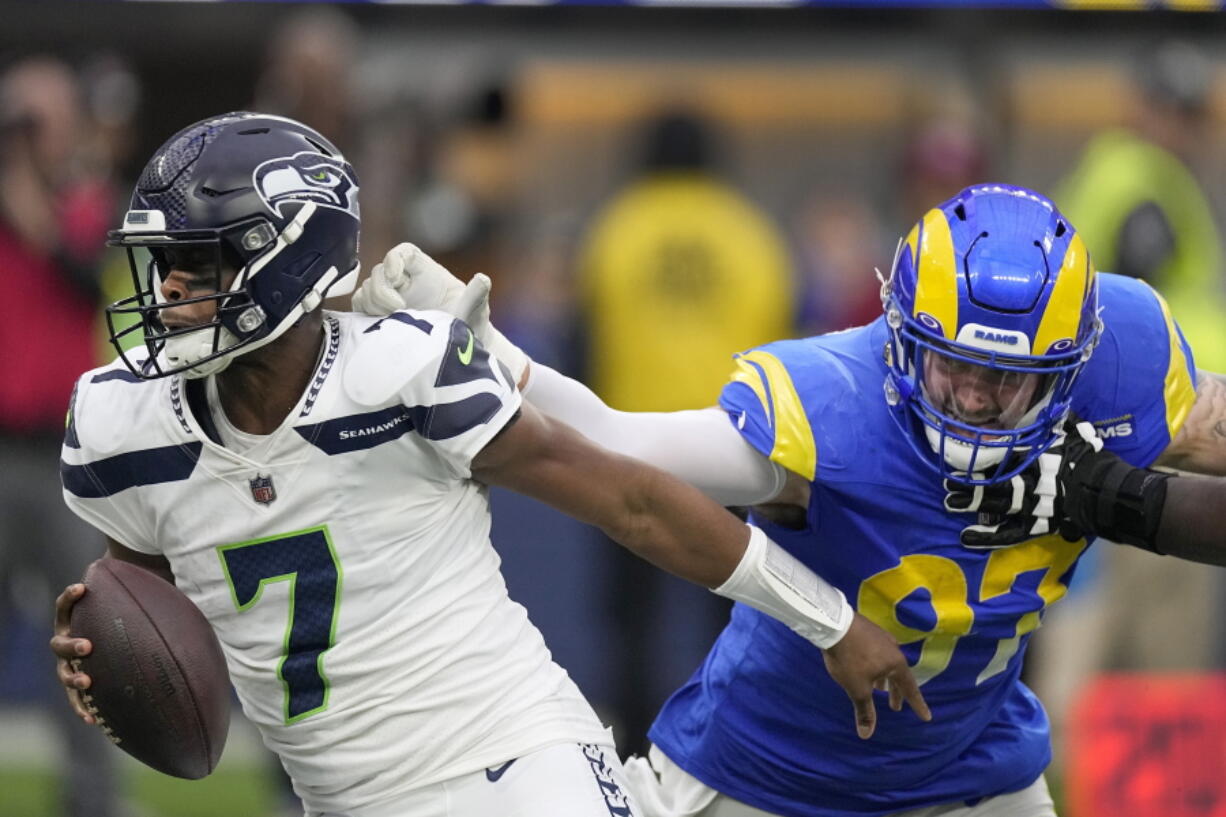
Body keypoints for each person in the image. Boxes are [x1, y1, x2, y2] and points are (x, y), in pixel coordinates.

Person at [48, 112, 927, 817]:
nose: (166, 292)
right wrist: (101, 647)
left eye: (199, 264)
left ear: (291, 260)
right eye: (163, 266)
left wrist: (828, 620)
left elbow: (632, 501)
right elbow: (144, 590)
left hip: (513, 766)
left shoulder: (399, 371)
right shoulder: (125, 426)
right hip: (338, 797)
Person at [354, 182, 1226, 817]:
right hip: (768, 773)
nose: (972, 398)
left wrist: (1113, 489)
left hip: (974, 769)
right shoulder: (833, 407)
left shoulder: (1128, 360)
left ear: (1073, 364)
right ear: (902, 332)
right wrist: (492, 352)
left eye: (1010, 380)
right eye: (954, 363)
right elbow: (626, 443)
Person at [0, 56, 121, 817]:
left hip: (60, 455)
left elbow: (86, 279)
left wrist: (25, 193)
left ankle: (92, 803)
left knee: (84, 643)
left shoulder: (85, 202)